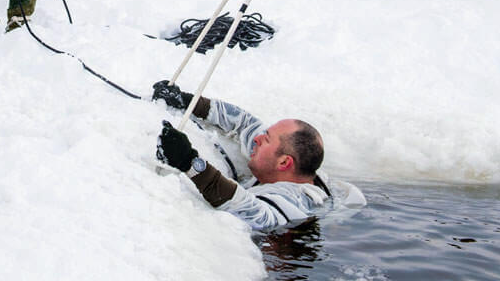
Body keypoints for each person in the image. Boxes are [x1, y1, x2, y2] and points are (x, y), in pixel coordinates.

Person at [152, 80, 361, 232]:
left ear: (284, 162)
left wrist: (190, 163)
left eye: (267, 139)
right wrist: (188, 101)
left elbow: (254, 213)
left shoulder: (296, 199)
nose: (258, 138)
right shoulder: (292, 166)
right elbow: (245, 123)